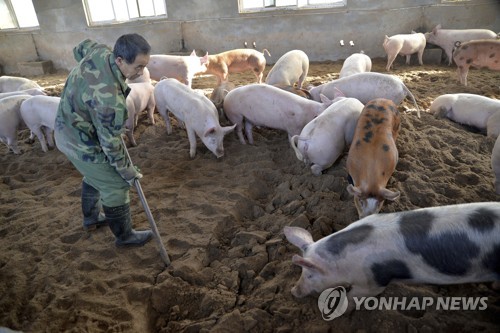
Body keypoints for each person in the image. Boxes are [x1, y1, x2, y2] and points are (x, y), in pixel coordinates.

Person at [55, 33, 153, 247]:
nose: (142, 72)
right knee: (115, 184)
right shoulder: (110, 100)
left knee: (96, 175)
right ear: (119, 60)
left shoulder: (98, 50)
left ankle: (91, 218)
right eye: (137, 67)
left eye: (144, 65)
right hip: (79, 142)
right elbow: (111, 145)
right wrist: (129, 173)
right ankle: (124, 237)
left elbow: (80, 47)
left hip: (68, 127)